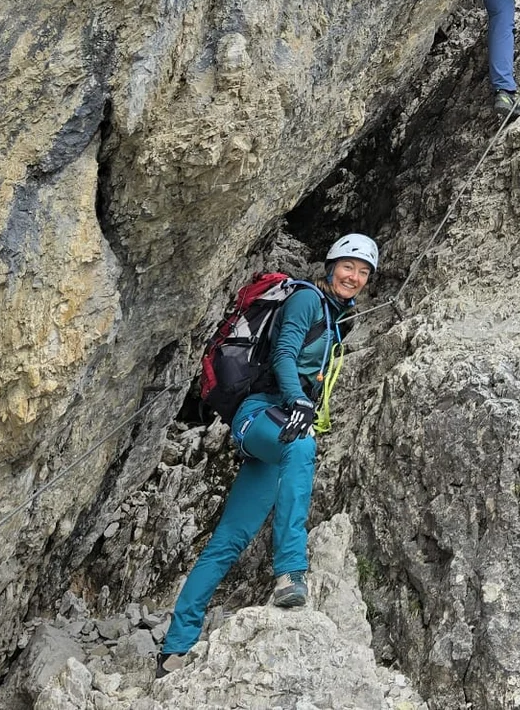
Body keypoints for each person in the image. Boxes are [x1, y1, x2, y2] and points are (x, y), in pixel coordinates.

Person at [157, 237, 378, 675]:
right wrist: (298, 401)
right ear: (330, 266)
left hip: (276, 428)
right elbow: (283, 352)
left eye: (363, 272)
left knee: (228, 542)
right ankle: (290, 572)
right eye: (347, 267)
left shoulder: (338, 317)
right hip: (257, 415)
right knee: (302, 444)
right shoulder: (306, 300)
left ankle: (173, 649)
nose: (353, 277)